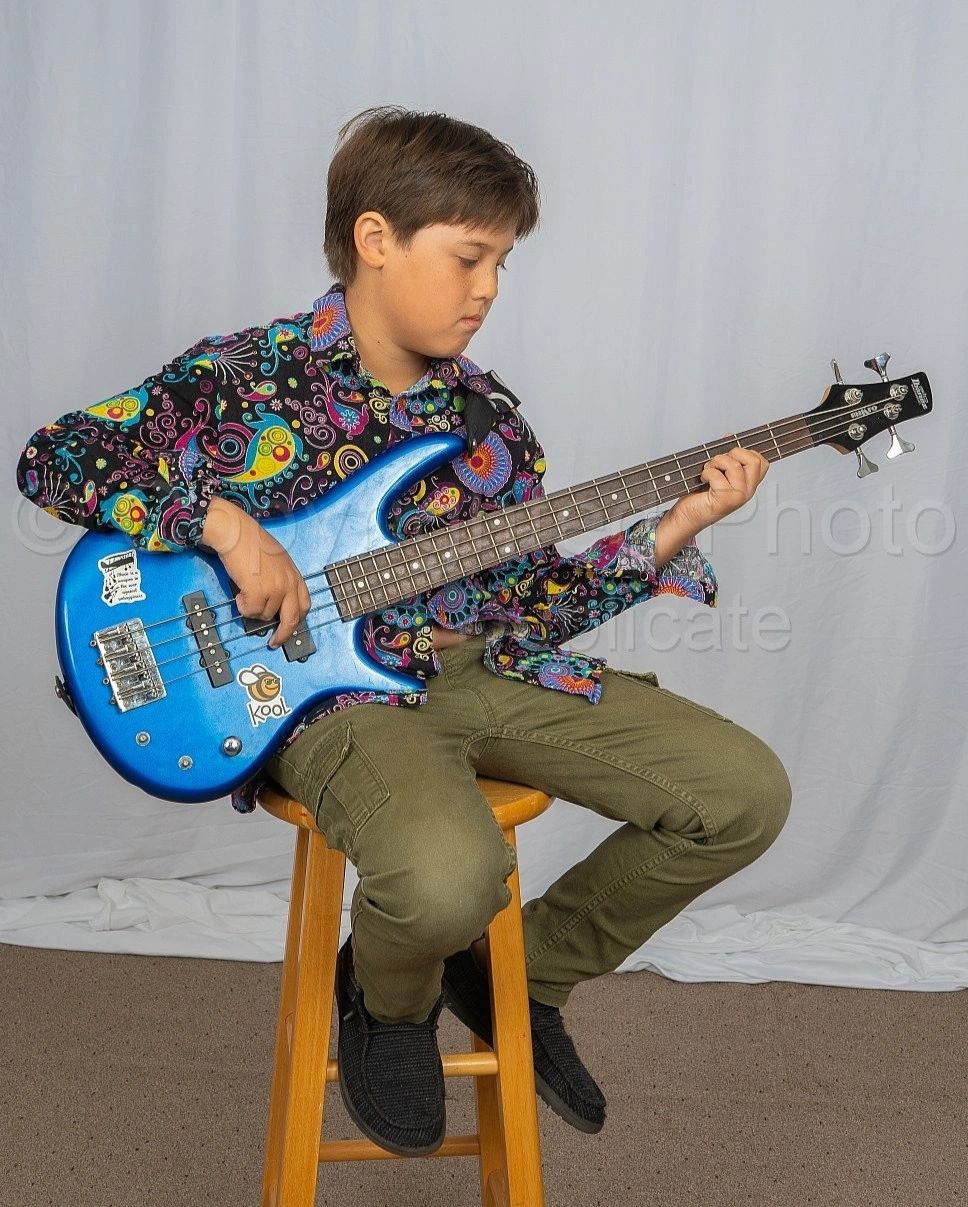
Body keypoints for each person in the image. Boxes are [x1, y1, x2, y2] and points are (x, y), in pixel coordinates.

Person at [17, 105, 791, 1158]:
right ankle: (388, 1003)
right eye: (470, 256)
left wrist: (675, 529)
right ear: (375, 239)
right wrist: (225, 524)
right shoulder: (244, 375)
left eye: (502, 265)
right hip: (332, 698)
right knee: (447, 874)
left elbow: (534, 609)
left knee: (739, 796)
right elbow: (53, 458)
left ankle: (517, 975)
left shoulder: (489, 426)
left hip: (483, 670)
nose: (488, 290)